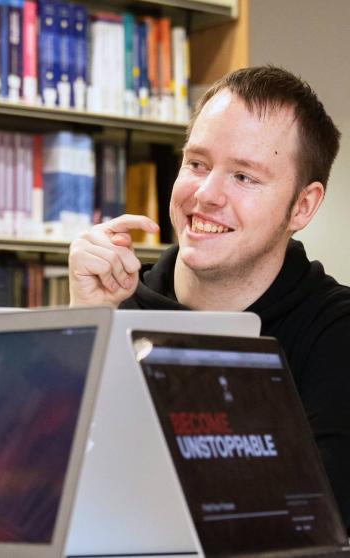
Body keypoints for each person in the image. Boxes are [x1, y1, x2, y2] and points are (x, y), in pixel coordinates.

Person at [67, 65, 350, 532]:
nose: (206, 194)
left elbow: (314, 526)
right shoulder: (116, 302)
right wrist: (86, 322)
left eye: (244, 177)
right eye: (196, 164)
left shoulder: (335, 335)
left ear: (302, 206)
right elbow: (42, 488)